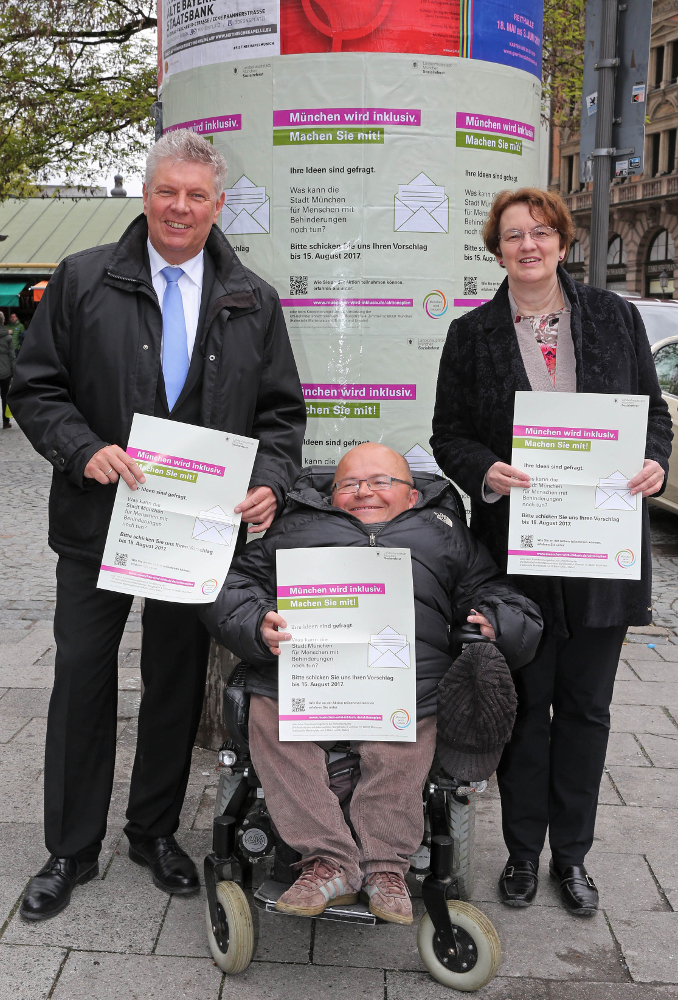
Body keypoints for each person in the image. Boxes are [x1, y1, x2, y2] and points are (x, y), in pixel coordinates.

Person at [9, 129, 306, 921]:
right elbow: (35, 389)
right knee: (82, 677)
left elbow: (281, 416)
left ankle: (152, 832)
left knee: (175, 682)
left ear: (217, 205)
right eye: (167, 191)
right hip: (97, 521)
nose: (180, 207)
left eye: (196, 195)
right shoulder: (80, 281)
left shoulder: (253, 298)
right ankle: (70, 850)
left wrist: (271, 483)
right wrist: (83, 449)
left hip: (195, 532)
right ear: (147, 194)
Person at [431, 188, 672, 916]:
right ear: (496, 248)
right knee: (527, 708)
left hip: (601, 550)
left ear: (562, 242)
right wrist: (485, 472)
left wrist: (655, 463)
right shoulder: (471, 335)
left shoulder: (614, 317)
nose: (528, 245)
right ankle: (521, 852)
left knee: (588, 710)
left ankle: (572, 858)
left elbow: (651, 417)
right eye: (513, 235)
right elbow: (448, 435)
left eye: (540, 232)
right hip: (519, 553)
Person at [202, 442, 542, 925]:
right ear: (329, 494)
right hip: (305, 670)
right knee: (269, 716)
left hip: (405, 677)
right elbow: (230, 584)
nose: (365, 492)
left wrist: (496, 620)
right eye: (350, 484)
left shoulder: (443, 535)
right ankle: (329, 861)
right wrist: (257, 622)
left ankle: (385, 868)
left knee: (401, 738)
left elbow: (497, 591)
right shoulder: (293, 530)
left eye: (382, 482)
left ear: (411, 495)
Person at [0, 312, 14, 428]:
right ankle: (5, 421)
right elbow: (12, 356)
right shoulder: (8, 337)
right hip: (5, 369)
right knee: (5, 395)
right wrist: (14, 370)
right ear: (3, 321)